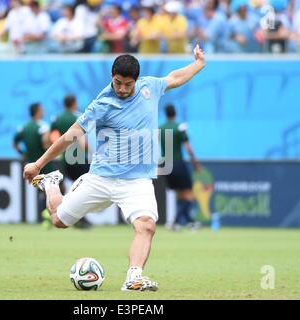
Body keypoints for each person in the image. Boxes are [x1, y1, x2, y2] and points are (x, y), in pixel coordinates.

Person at [23, 46, 206, 291]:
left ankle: (134, 277)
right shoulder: (101, 104)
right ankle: (51, 183)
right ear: (112, 75)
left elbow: (174, 78)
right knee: (58, 220)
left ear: (137, 81)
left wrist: (198, 64)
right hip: (101, 178)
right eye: (118, 82)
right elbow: (70, 136)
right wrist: (38, 164)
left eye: (127, 84)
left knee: (146, 225)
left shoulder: (150, 87)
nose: (121, 88)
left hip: (137, 181)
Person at [50, 94, 92, 229]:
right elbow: (82, 142)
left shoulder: (57, 118)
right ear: (74, 103)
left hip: (65, 159)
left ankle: (71, 216)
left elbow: (50, 137)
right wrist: (91, 152)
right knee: (83, 187)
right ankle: (78, 218)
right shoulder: (77, 117)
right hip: (78, 158)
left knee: (72, 187)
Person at [159, 104, 202, 232]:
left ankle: (189, 222)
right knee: (188, 193)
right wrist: (195, 163)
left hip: (166, 165)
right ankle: (176, 221)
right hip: (177, 163)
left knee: (180, 193)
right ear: (175, 113)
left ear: (165, 114)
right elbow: (188, 148)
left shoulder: (160, 128)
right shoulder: (180, 127)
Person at [14, 103, 55, 216]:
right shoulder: (43, 127)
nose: (44, 111)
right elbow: (46, 144)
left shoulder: (24, 128)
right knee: (53, 188)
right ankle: (48, 215)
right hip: (44, 164)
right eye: (42, 109)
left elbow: (14, 144)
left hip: (31, 164)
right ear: (37, 111)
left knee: (41, 190)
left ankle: (43, 216)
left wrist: (24, 154)